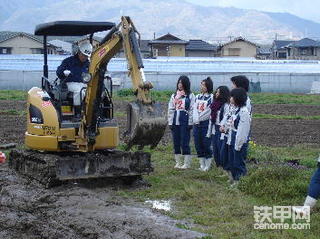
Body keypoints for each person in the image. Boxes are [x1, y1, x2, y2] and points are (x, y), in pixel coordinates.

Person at [56, 41, 93, 118]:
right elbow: (59, 72)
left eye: (86, 56)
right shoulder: (68, 61)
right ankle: (77, 113)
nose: (84, 58)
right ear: (79, 52)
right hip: (69, 83)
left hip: (83, 83)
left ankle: (91, 112)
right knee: (79, 91)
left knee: (91, 90)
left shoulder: (89, 64)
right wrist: (64, 73)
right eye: (83, 55)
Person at [168, 75, 195, 169]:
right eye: (179, 83)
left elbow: (192, 109)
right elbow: (171, 109)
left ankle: (186, 163)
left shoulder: (190, 96)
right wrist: (170, 122)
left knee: (185, 142)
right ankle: (178, 162)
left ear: (186, 84)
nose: (180, 85)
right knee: (176, 141)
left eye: (182, 83)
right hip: (176, 120)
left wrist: (190, 122)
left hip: (185, 120)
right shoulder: (174, 95)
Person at [227, 88, 251, 187]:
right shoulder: (236, 110)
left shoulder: (244, 112)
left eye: (232, 96)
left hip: (239, 140)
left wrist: (238, 144)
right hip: (232, 137)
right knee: (232, 160)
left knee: (238, 162)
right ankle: (234, 179)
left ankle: (240, 182)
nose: (230, 98)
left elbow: (242, 131)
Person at [193, 77, 214, 171]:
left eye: (204, 85)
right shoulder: (197, 97)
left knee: (206, 143)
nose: (201, 86)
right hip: (196, 123)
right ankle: (202, 164)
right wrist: (196, 119)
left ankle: (208, 165)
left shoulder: (211, 97)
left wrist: (199, 117)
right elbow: (194, 109)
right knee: (198, 144)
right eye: (201, 84)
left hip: (206, 123)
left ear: (208, 86)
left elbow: (208, 111)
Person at [209, 86, 230, 168]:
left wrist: (222, 126)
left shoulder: (226, 106)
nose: (216, 94)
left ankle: (225, 168)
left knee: (222, 150)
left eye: (219, 92)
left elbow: (226, 117)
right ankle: (219, 167)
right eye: (216, 92)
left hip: (221, 129)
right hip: (215, 128)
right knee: (215, 149)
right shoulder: (214, 104)